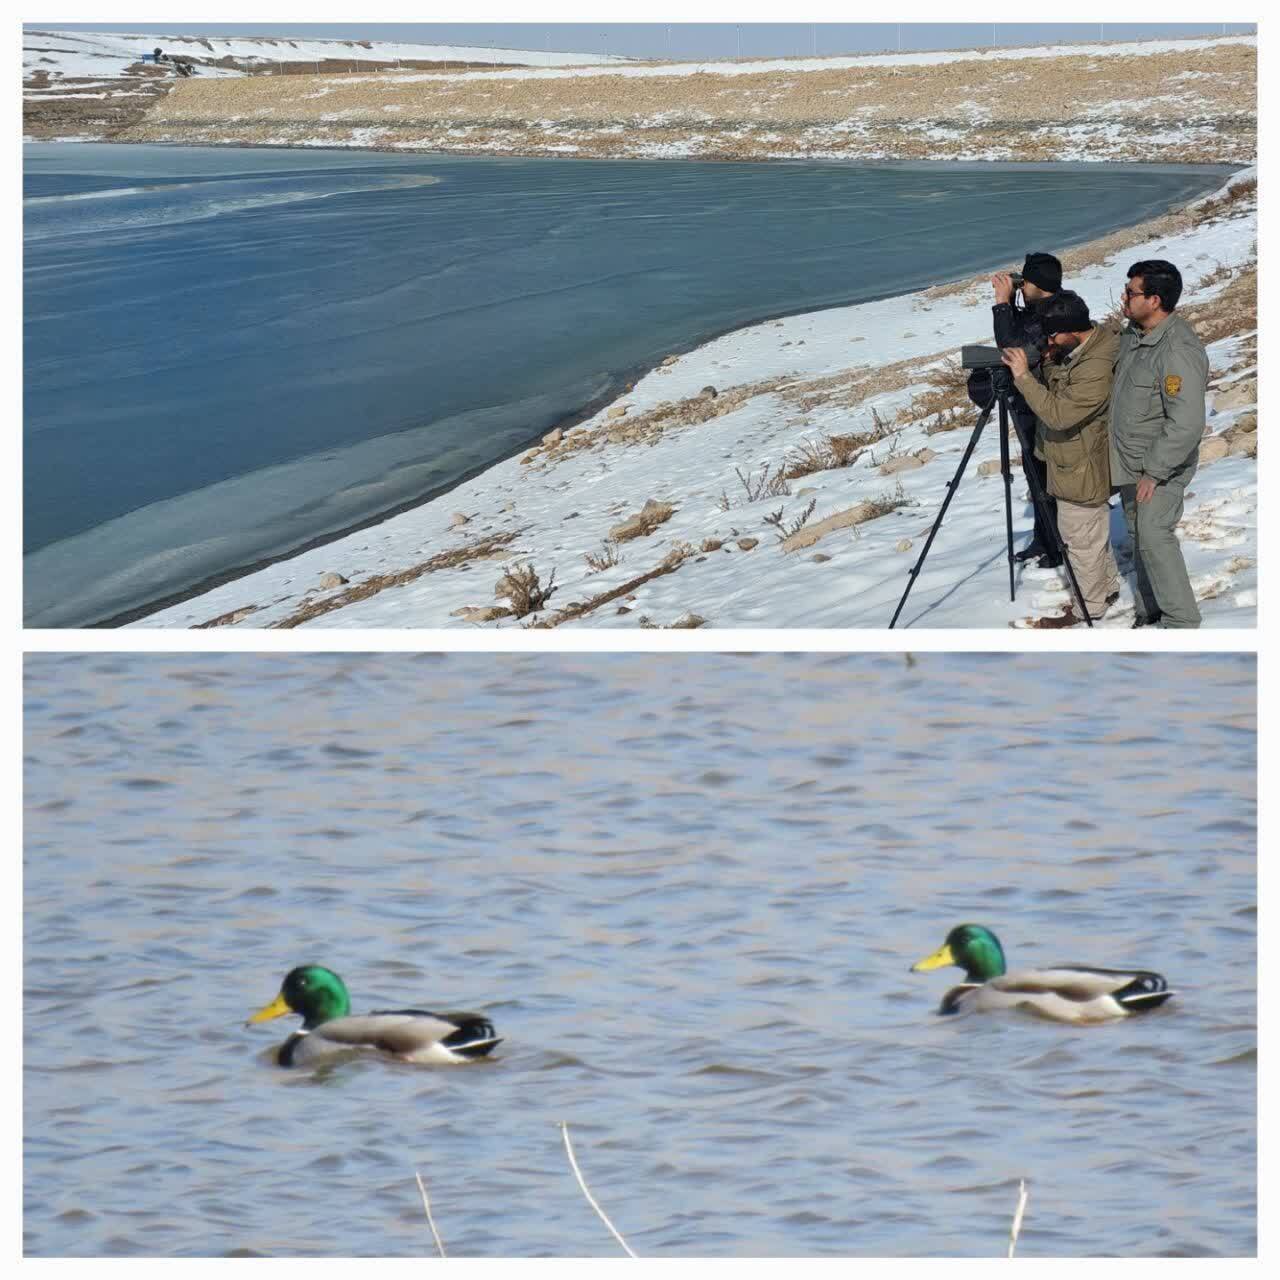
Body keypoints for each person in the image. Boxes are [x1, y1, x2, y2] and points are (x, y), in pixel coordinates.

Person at [1001, 292, 1121, 624]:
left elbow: (1058, 414)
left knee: (1079, 539)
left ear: (1072, 329)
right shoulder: (1084, 348)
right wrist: (1051, 360)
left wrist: (1024, 377)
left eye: (1054, 334)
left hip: (1081, 466)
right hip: (1073, 459)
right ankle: (1106, 588)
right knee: (1091, 536)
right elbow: (1062, 385)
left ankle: (1090, 607)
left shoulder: (1096, 367)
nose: (1050, 340)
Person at [1109, 259, 1207, 628]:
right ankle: (1150, 609)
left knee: (1154, 535)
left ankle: (1181, 623)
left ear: (1154, 300)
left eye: (1131, 292)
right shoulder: (1135, 336)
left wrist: (1156, 470)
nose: (1124, 298)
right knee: (1137, 533)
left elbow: (1187, 422)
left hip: (1159, 466)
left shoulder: (1176, 350)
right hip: (1132, 462)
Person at [992, 252, 1063, 568]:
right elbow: (1016, 333)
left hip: (1040, 404)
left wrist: (1002, 302)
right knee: (1034, 474)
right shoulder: (1039, 308)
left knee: (1043, 475)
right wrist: (1012, 304)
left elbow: (1011, 346)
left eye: (1026, 280)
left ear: (1040, 284)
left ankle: (1056, 544)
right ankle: (1042, 537)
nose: (1022, 285)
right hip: (1028, 401)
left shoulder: (1053, 313)